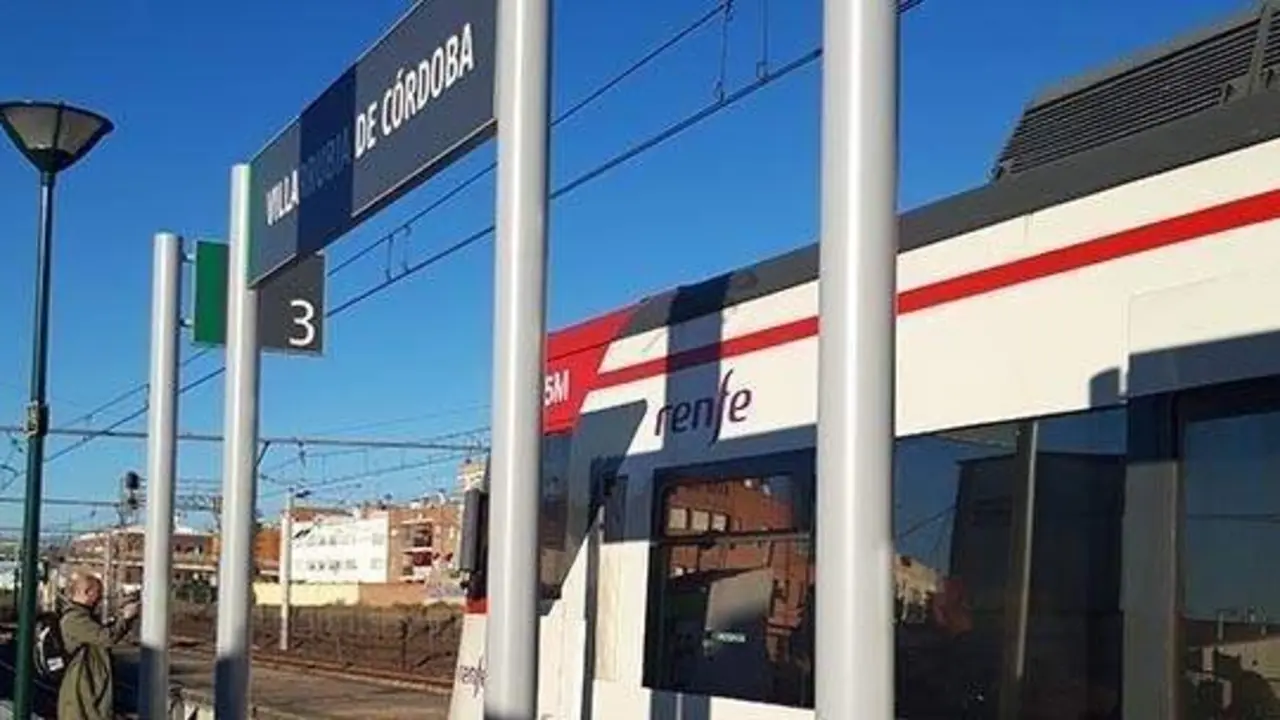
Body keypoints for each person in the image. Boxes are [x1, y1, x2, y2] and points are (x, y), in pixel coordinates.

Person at [57, 573, 139, 720]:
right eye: (98, 593)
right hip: (83, 688)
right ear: (87, 592)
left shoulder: (83, 616)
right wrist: (126, 619)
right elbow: (106, 637)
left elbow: (102, 632)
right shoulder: (74, 619)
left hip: (89, 685)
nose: (101, 599)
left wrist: (120, 618)